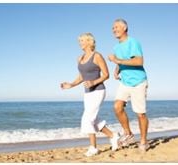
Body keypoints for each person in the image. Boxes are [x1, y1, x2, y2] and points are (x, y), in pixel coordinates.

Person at [61, 33, 120, 157]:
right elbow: (82, 76)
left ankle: (93, 148)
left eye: (82, 40)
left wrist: (94, 82)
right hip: (87, 93)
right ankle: (113, 136)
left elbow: (106, 74)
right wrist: (71, 84)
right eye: (79, 40)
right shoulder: (80, 58)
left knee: (87, 119)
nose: (80, 42)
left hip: (98, 90)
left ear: (89, 41)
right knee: (92, 119)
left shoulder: (97, 56)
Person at [108, 19, 149, 152]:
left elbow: (139, 61)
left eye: (116, 27)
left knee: (140, 114)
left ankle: (143, 141)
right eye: (113, 28)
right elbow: (120, 63)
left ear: (125, 27)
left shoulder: (133, 42)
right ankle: (128, 133)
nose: (114, 30)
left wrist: (116, 60)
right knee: (117, 107)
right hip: (125, 82)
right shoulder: (116, 47)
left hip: (138, 82)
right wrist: (116, 70)